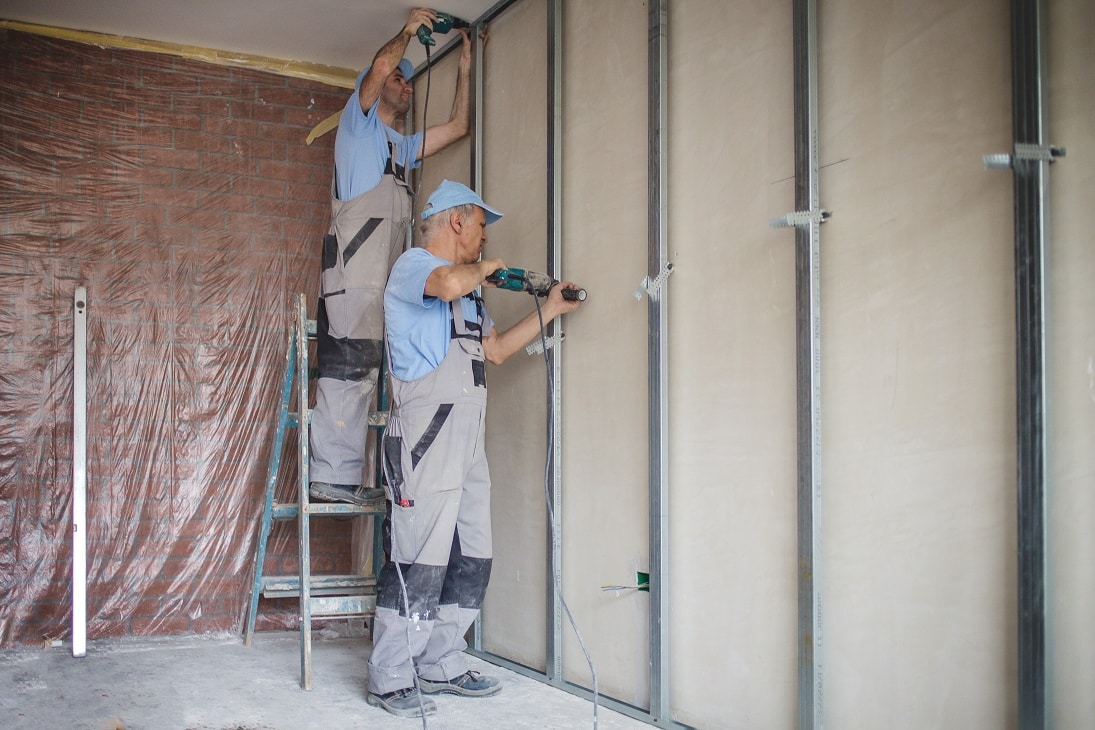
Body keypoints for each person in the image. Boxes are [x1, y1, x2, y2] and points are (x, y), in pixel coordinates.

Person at [365, 180, 583, 717]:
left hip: (467, 439)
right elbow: (443, 283)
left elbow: (499, 352)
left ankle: (440, 659)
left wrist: (550, 309)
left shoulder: (471, 296)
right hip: (424, 435)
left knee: (472, 551)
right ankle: (391, 674)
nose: (485, 238)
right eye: (482, 225)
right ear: (456, 221)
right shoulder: (415, 267)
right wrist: (487, 270)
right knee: (418, 557)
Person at [310, 9, 477, 506]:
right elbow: (382, 68)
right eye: (400, 80)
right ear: (375, 86)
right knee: (346, 376)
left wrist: (466, 69)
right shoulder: (357, 129)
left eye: (408, 82)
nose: (406, 87)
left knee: (373, 380)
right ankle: (331, 479)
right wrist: (406, 33)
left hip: (383, 288)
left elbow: (460, 126)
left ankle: (359, 477)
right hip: (352, 280)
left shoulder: (402, 148)